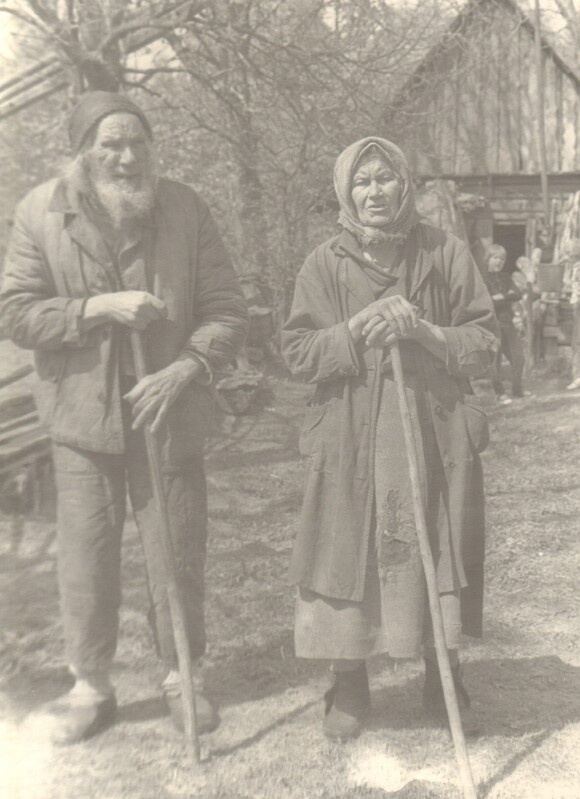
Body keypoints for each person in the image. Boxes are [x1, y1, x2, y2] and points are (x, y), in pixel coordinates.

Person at [0, 92, 248, 744]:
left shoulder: (185, 209)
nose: (126, 156)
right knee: (86, 554)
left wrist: (188, 365)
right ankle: (91, 684)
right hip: (81, 419)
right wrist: (98, 307)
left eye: (136, 141)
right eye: (110, 144)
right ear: (83, 151)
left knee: (178, 549)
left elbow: (227, 308)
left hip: (168, 411)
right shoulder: (40, 212)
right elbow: (17, 312)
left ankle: (182, 676)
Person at [281, 137, 498, 741]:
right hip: (351, 437)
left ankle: (443, 673)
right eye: (362, 182)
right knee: (346, 552)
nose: (374, 192)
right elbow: (297, 353)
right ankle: (349, 680)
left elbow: (484, 339)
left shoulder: (444, 252)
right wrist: (353, 329)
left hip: (432, 433)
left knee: (436, 542)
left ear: (404, 185)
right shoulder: (324, 264)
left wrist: (425, 332)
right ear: (345, 191)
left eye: (385, 180)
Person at [484, 244, 526, 405]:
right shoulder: (482, 278)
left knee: (518, 357)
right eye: (495, 258)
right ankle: (499, 393)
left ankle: (517, 389)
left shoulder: (506, 277)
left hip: (507, 322)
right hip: (491, 323)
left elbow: (518, 294)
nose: (499, 262)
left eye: (502, 259)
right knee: (495, 360)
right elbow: (486, 301)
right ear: (488, 259)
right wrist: (504, 296)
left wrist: (500, 297)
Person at [565, 239, 580, 390]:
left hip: (578, 305)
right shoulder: (574, 268)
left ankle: (577, 376)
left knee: (577, 342)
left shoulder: (577, 268)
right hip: (576, 304)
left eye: (570, 254)